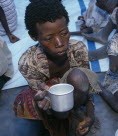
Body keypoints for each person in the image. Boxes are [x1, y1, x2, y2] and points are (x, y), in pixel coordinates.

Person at [13, 0, 100, 136]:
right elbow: (41, 95)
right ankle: (67, 117)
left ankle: (75, 112)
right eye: (49, 38)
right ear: (34, 36)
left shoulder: (78, 50)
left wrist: (90, 115)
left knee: (78, 77)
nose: (60, 43)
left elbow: (87, 87)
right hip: (50, 95)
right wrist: (46, 103)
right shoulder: (28, 63)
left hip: (75, 92)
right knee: (49, 113)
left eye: (64, 33)